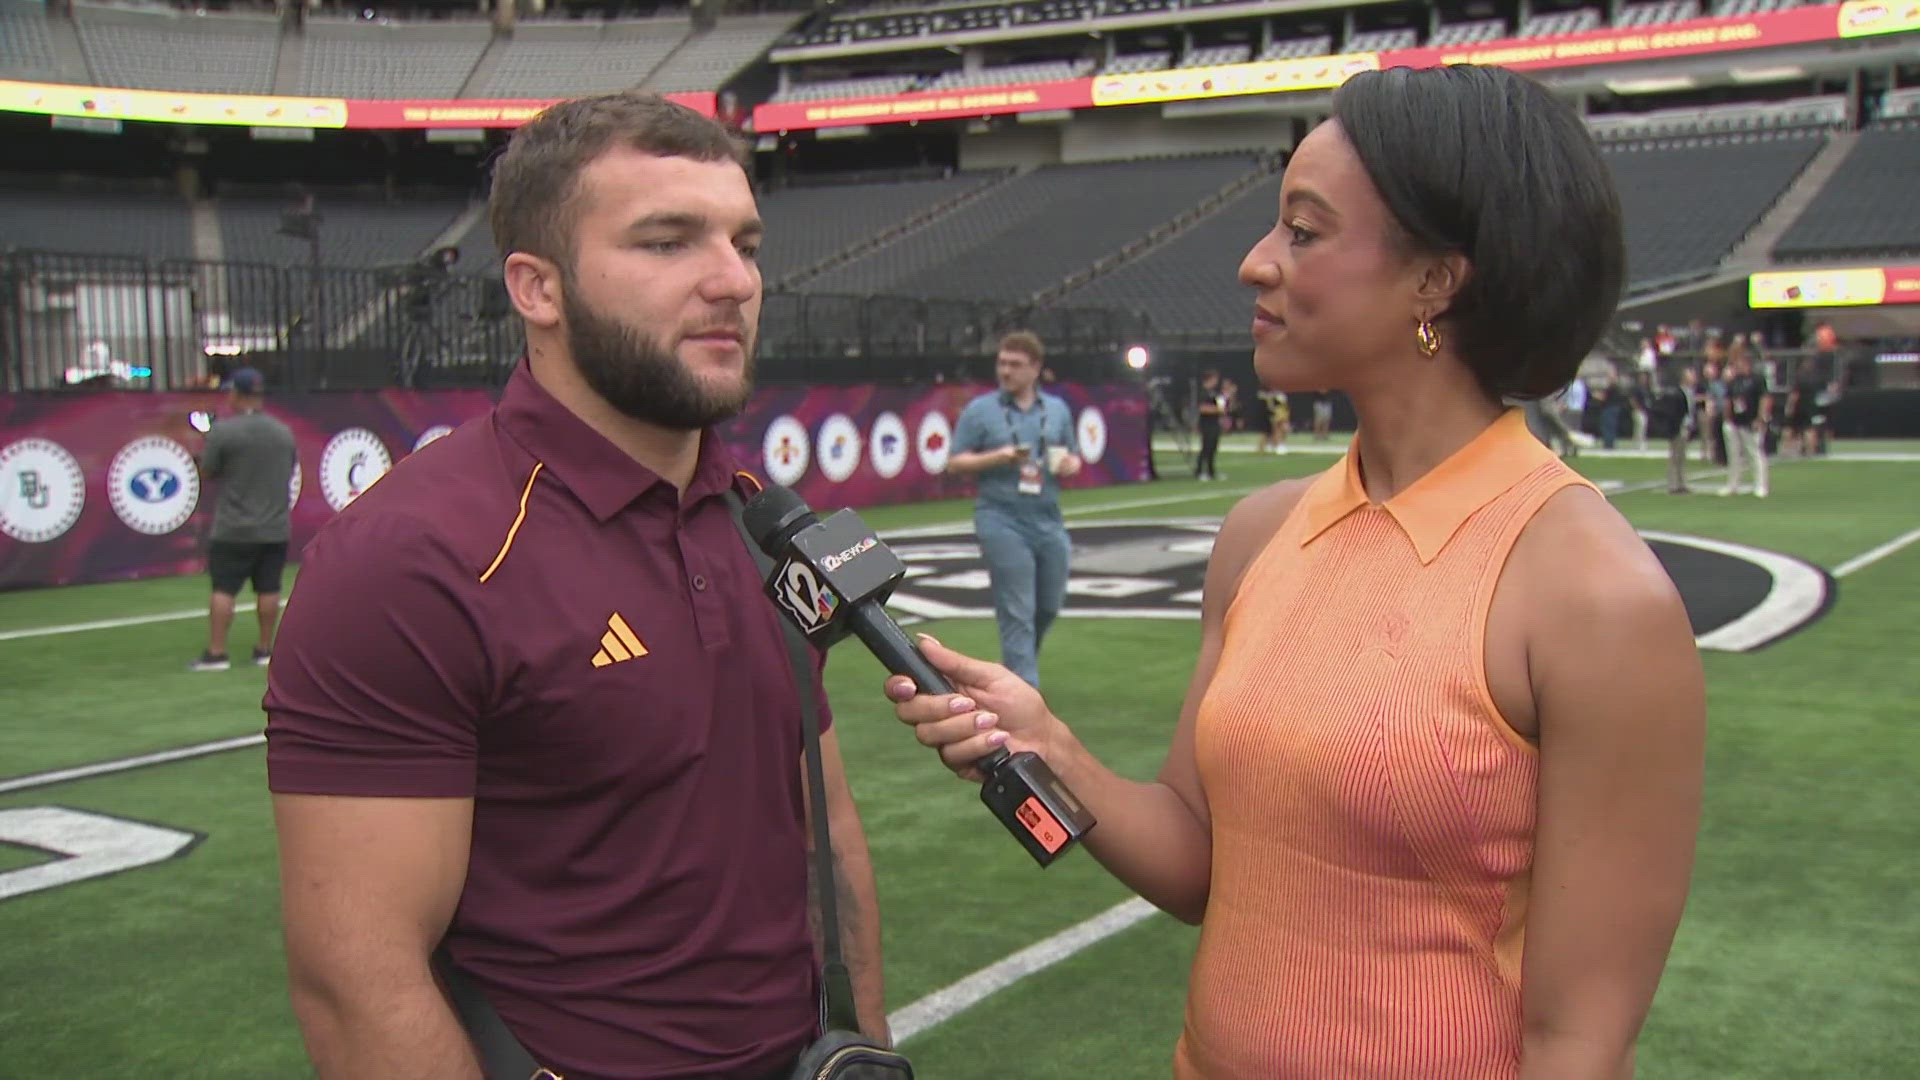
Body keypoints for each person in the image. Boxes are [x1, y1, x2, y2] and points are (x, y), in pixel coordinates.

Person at [888, 65, 1703, 1079]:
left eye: (1303, 232)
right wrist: (1046, 741)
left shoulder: (1593, 599)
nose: (1254, 264)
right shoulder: (1260, 533)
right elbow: (1198, 864)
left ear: (1437, 281)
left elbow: (1579, 1041)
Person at [263, 93, 887, 1080]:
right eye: (667, 242)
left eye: (745, 242)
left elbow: (828, 830)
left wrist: (865, 1040)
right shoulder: (411, 556)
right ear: (537, 288)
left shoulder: (764, 515)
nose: (733, 281)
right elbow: (357, 980)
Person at [947, 331, 1083, 688]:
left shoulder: (1056, 410)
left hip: (1048, 517)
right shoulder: (980, 411)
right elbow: (955, 462)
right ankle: (1025, 694)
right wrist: (999, 457)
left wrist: (1071, 463)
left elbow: (1071, 453)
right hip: (1000, 518)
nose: (1006, 371)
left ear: (1035, 369)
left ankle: (1015, 673)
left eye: (1015, 365)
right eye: (1002, 363)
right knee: (1017, 611)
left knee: (1048, 606)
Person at [191, 366, 296, 671]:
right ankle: (265, 648)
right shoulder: (283, 432)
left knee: (224, 588)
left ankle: (217, 652)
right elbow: (289, 469)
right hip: (274, 526)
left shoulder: (225, 431)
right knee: (269, 588)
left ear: (236, 394)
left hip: (234, 527)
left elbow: (208, 471)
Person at [1722, 343, 1770, 497]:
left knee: (1754, 453)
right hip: (1735, 421)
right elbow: (1728, 399)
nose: (1737, 365)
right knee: (1734, 455)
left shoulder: (1757, 380)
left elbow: (1764, 398)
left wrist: (1760, 418)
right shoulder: (1734, 381)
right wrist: (1727, 418)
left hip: (1750, 421)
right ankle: (1733, 484)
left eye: (1739, 362)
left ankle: (1761, 485)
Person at [1659, 366, 1699, 494]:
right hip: (1679, 427)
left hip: (1686, 427)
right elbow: (1675, 413)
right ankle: (1673, 484)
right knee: (1675, 457)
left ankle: (1682, 483)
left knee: (1682, 457)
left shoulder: (1690, 392)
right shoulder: (1677, 393)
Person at [1192, 368, 1225, 480]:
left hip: (1215, 422)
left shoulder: (1215, 393)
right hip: (1206, 424)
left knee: (1213, 448)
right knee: (1206, 447)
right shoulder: (1202, 392)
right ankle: (1199, 471)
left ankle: (1211, 471)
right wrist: (1217, 410)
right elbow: (1202, 408)